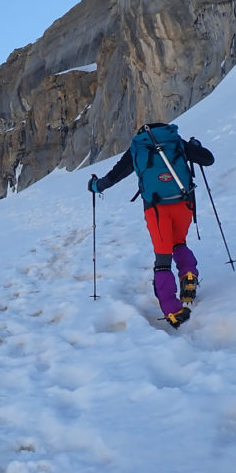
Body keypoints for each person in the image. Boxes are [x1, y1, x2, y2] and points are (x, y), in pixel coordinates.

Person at [88, 123, 214, 327]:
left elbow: (113, 176)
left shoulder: (138, 147)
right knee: (179, 242)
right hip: (183, 202)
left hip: (156, 208)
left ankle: (173, 311)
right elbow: (208, 159)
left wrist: (95, 186)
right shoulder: (175, 141)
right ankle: (188, 274)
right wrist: (195, 146)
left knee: (163, 259)